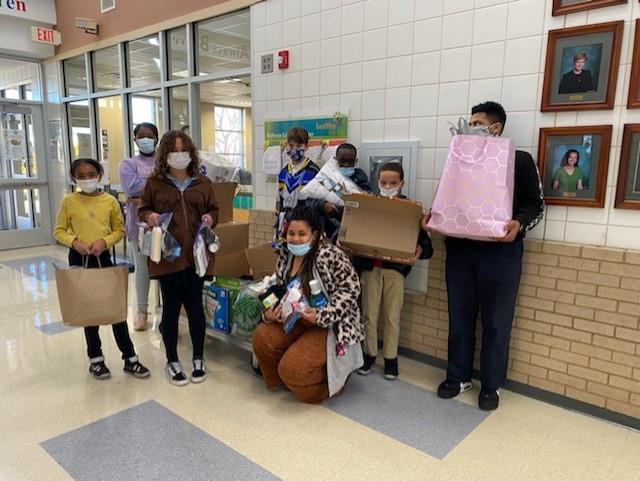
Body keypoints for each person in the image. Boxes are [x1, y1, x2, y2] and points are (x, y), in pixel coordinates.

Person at [423, 101, 544, 411]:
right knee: (459, 317)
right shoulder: (459, 158)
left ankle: (491, 385)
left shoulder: (519, 161)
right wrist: (434, 218)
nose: (470, 127)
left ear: (495, 128)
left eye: (476, 123)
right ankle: (458, 376)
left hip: (501, 253)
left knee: (496, 322)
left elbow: (536, 204)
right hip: (461, 251)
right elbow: (449, 201)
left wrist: (519, 222)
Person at [252, 206, 363, 404]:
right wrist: (270, 312)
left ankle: (330, 385)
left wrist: (322, 315)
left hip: (327, 325)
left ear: (315, 234)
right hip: (296, 319)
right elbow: (280, 288)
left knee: (292, 368)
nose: (295, 239)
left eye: (302, 234)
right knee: (262, 337)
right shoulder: (285, 255)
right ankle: (288, 381)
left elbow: (351, 290)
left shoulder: (329, 255)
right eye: (291, 233)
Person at [54, 158, 150, 380]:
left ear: (99, 176)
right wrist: (75, 241)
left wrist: (104, 242)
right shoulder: (69, 201)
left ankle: (130, 358)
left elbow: (120, 229)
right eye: (81, 175)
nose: (87, 179)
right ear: (73, 178)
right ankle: (96, 359)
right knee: (89, 311)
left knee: (114, 308)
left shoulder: (109, 201)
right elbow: (59, 230)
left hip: (104, 257)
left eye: (91, 174)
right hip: (79, 257)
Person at [138, 130, 218, 386]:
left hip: (196, 257)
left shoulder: (202, 182)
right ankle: (172, 360)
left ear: (191, 153)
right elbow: (143, 209)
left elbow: (214, 209)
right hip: (168, 256)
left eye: (184, 151)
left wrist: (209, 218)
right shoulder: (155, 183)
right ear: (165, 155)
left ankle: (198, 358)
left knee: (195, 309)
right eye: (174, 151)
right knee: (170, 310)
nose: (180, 156)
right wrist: (150, 217)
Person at [357, 162, 433, 380]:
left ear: (402, 183)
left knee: (392, 317)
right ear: (377, 182)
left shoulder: (410, 210)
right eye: (383, 182)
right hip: (370, 269)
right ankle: (368, 354)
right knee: (369, 315)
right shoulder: (370, 205)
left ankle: (391, 360)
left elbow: (426, 246)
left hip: (395, 272)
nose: (388, 186)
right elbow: (356, 231)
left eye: (393, 182)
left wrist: (420, 250)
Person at [119, 122, 159, 331]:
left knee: (165, 267)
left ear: (156, 139)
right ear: (135, 140)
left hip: (164, 223)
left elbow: (140, 191)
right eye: (141, 136)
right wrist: (155, 185)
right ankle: (142, 312)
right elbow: (131, 187)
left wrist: (141, 194)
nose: (145, 139)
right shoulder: (128, 164)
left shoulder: (164, 162)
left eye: (150, 135)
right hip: (139, 225)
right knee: (142, 268)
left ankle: (165, 309)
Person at [316, 143, 371, 243]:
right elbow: (311, 201)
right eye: (342, 161)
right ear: (336, 160)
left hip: (353, 231)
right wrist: (323, 205)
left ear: (355, 162)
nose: (346, 165)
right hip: (328, 231)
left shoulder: (360, 177)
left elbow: (367, 202)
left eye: (350, 162)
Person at [274, 127, 320, 246]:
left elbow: (317, 204)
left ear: (306, 146)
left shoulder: (314, 171)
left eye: (299, 145)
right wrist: (276, 229)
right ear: (287, 145)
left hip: (305, 226)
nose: (294, 149)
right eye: (291, 145)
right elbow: (279, 202)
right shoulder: (283, 173)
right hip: (285, 225)